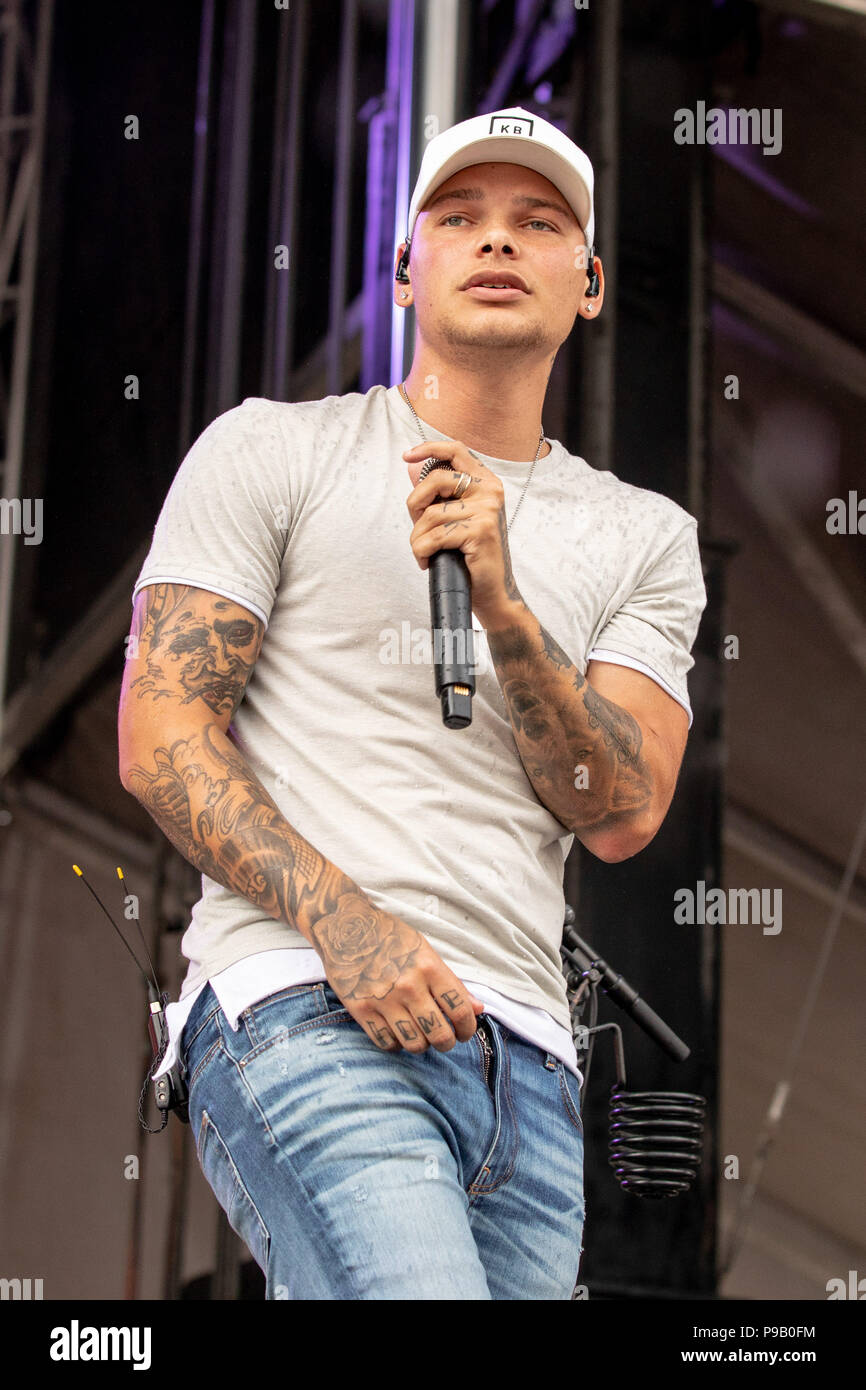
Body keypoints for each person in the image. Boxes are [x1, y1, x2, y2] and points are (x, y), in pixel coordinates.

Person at [117, 105, 706, 1300]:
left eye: (536, 222)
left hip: (528, 1067)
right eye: (458, 217)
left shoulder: (643, 535)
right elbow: (160, 735)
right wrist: (345, 923)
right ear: (402, 270)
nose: (496, 240)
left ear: (589, 282)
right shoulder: (271, 449)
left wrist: (503, 604)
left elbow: (618, 810)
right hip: (306, 1004)